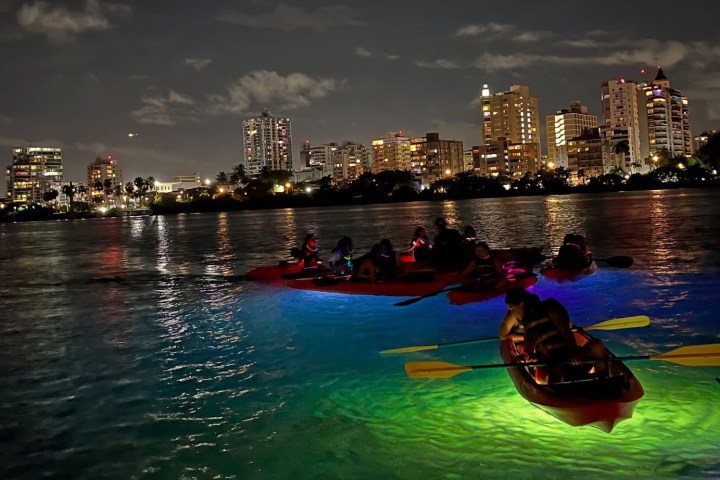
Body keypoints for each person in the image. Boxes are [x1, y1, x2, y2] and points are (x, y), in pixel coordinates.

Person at [498, 287, 608, 384]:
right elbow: (529, 349)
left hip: (568, 355)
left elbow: (566, 331)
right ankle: (564, 392)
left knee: (597, 345)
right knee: (555, 369)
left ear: (521, 304)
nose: (512, 312)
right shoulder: (527, 323)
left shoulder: (550, 307)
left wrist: (574, 352)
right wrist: (526, 357)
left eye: (512, 308)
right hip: (551, 362)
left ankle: (604, 380)